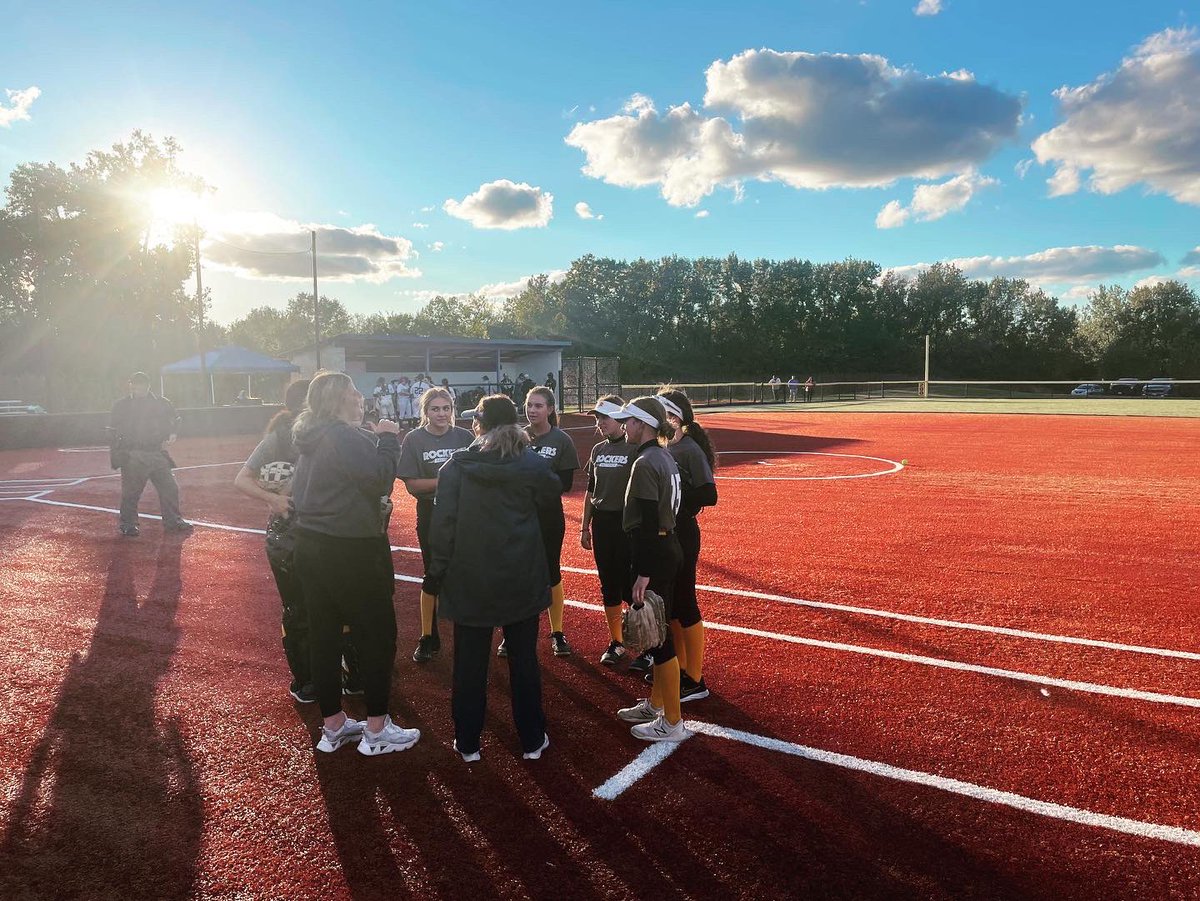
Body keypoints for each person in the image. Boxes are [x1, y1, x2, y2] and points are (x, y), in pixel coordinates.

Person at [424, 394, 563, 761]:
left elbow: (443, 528)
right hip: (521, 575)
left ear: (479, 426)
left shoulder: (454, 468)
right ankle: (532, 739)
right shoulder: (531, 464)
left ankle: (467, 742)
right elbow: (552, 513)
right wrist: (548, 567)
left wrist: (436, 574)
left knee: (469, 664)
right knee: (524, 662)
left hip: (470, 579)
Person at [290, 371, 421, 756]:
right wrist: (386, 438)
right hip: (349, 549)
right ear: (338, 400)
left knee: (324, 635)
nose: (361, 397)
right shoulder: (341, 435)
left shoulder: (310, 435)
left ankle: (333, 725)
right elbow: (379, 479)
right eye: (354, 392)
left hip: (310, 546)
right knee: (378, 633)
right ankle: (377, 728)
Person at [608, 397, 687, 742]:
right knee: (660, 632)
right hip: (668, 547)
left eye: (628, 421)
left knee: (659, 639)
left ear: (642, 424)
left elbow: (647, 523)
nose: (624, 426)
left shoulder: (645, 462)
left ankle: (672, 721)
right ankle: (657, 704)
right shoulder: (663, 455)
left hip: (654, 552)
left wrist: (642, 571)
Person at [398, 387, 473, 663]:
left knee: (464, 573)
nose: (441, 414)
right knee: (433, 573)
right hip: (431, 512)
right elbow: (412, 484)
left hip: (463, 513)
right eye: (435, 409)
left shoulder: (465, 436)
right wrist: (448, 481)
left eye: (446, 408)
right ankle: (428, 636)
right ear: (425, 412)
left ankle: (468, 634)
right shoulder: (414, 439)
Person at [506, 385, 579, 658]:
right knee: (518, 571)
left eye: (538, 405)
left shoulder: (561, 440)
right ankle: (512, 630)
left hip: (548, 516)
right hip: (519, 516)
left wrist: (533, 485)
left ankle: (557, 632)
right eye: (529, 405)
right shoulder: (515, 437)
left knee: (551, 571)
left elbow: (566, 483)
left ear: (550, 409)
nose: (533, 410)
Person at [657, 389, 718, 702]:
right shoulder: (662, 446)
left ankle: (695, 679)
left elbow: (710, 494)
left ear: (676, 417)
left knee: (684, 601)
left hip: (684, 533)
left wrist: (675, 501)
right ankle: (680, 668)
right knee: (672, 605)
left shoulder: (690, 449)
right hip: (666, 533)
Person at [579, 395, 636, 667]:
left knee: (632, 585)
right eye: (597, 418)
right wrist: (584, 527)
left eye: (605, 417)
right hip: (602, 523)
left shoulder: (635, 448)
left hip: (627, 524)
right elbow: (591, 492)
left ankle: (648, 643)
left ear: (622, 419)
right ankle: (617, 642)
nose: (600, 422)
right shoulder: (598, 450)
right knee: (608, 584)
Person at [109, 371, 192, 537]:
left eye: (140, 384)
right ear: (130, 385)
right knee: (131, 492)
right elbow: (112, 430)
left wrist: (173, 432)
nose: (137, 387)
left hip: (156, 452)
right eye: (134, 383)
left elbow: (176, 419)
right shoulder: (121, 405)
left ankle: (173, 520)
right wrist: (118, 453)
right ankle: (128, 524)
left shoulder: (161, 403)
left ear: (148, 386)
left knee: (169, 487)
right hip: (133, 454)